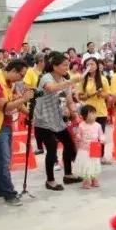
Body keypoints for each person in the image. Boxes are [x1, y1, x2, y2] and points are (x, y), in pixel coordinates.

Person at [0, 60, 33, 205]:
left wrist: (30, 114)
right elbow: (5, 107)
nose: (22, 79)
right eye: (21, 75)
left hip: (5, 123)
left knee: (2, 159)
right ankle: (9, 193)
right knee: (4, 160)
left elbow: (16, 102)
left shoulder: (11, 82)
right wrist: (24, 98)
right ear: (13, 70)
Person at [34, 52, 83, 190]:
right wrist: (71, 81)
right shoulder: (46, 78)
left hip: (58, 120)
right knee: (52, 149)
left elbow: (69, 101)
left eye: (68, 65)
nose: (67, 68)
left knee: (69, 145)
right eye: (64, 65)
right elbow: (51, 88)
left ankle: (68, 175)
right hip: (43, 121)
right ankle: (50, 181)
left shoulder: (64, 80)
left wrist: (74, 113)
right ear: (55, 66)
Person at [78, 57, 111, 164]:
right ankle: (90, 156)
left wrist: (100, 93)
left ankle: (99, 156)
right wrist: (91, 94)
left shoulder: (103, 79)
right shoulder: (83, 79)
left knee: (99, 135)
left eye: (92, 64)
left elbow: (108, 95)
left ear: (97, 65)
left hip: (100, 111)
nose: (90, 66)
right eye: (88, 64)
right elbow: (80, 96)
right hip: (88, 112)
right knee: (88, 135)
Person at [73, 105, 105, 189]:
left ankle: (94, 178)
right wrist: (78, 136)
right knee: (86, 164)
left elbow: (101, 134)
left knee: (94, 164)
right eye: (92, 113)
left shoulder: (98, 125)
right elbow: (78, 133)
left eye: (95, 113)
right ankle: (86, 180)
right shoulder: (81, 125)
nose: (94, 115)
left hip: (94, 147)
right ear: (85, 115)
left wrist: (102, 139)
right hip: (84, 149)